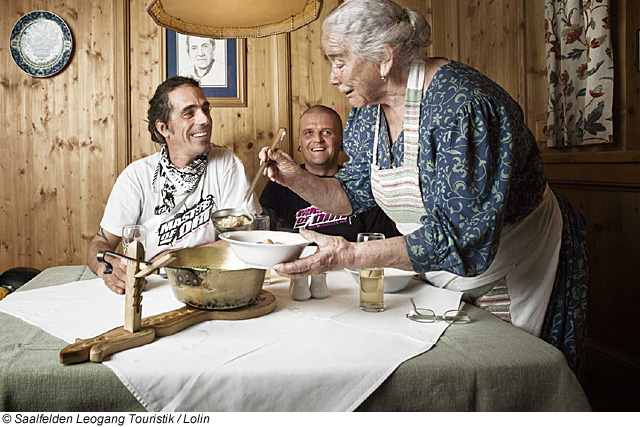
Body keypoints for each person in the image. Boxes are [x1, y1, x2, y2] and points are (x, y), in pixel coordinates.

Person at [260, 0, 587, 372]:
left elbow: (462, 239)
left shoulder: (462, 107)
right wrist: (296, 179)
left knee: (509, 377)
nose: (333, 77)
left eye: (339, 60)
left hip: (511, 262)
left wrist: (348, 255)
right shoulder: (368, 112)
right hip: (437, 267)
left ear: (384, 59)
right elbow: (350, 195)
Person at [88, 76, 260, 294]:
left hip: (210, 285)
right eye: (189, 113)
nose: (205, 119)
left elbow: (244, 240)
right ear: (164, 128)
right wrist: (107, 269)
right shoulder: (137, 175)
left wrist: (173, 258)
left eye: (205, 109)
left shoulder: (226, 164)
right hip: (150, 288)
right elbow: (99, 244)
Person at [260, 105, 399, 241]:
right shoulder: (278, 185)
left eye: (327, 132)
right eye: (309, 133)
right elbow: (263, 237)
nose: (318, 139)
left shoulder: (361, 184)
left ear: (341, 141)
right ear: (300, 143)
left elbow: (378, 241)